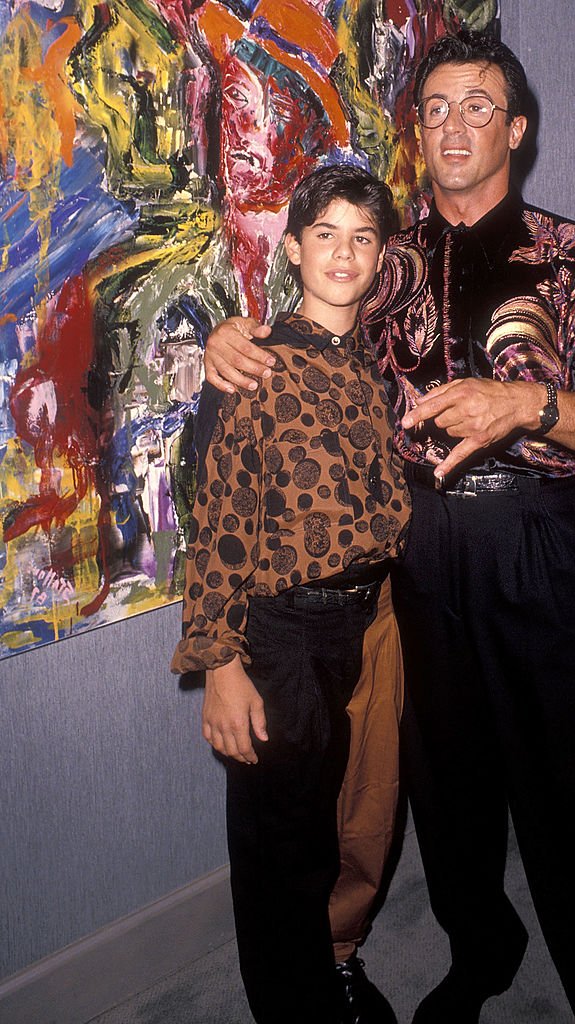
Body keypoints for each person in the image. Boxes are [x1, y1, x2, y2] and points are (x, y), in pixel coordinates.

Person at [202, 30, 575, 1024]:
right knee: (448, 784)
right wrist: (228, 330)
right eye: (433, 109)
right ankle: (479, 950)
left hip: (539, 545)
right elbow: (305, 308)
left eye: (477, 106)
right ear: (414, 135)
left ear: (514, 128)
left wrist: (530, 408)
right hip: (415, 555)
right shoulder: (387, 259)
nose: (454, 124)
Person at [171, 164, 411, 1023]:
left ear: (380, 255)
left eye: (362, 237)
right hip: (278, 632)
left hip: (367, 619)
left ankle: (329, 969)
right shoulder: (253, 368)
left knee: (345, 821)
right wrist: (220, 663)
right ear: (295, 247)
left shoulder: (376, 368)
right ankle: (295, 1008)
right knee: (280, 845)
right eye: (326, 235)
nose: (343, 253)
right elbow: (218, 527)